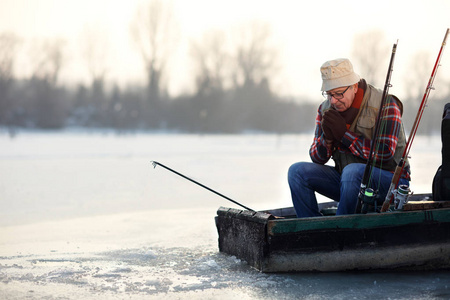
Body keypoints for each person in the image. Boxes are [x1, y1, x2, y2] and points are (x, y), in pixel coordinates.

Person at [288, 58, 410, 217]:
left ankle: (341, 228)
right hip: (347, 182)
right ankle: (310, 229)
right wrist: (328, 139)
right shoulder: (325, 109)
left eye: (338, 94)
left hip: (390, 183)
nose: (333, 101)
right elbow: (316, 157)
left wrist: (344, 135)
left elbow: (386, 153)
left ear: (353, 86)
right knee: (296, 172)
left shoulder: (386, 103)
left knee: (352, 172)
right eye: (329, 94)